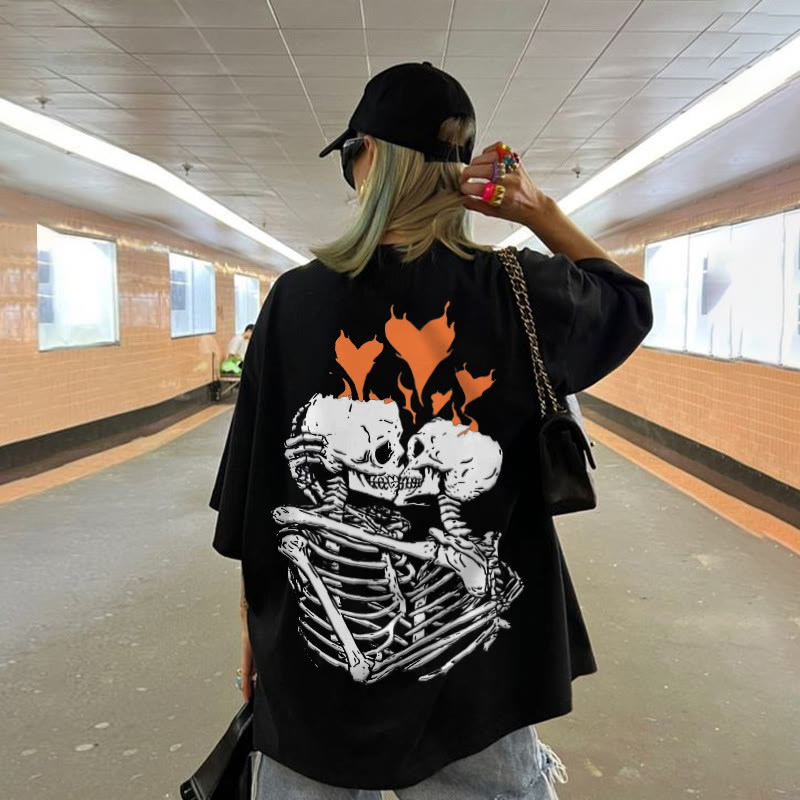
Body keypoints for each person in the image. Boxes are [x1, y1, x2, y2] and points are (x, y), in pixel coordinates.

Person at [210, 62, 652, 799]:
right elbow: (627, 301)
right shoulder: (520, 290)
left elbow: (255, 493)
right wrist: (537, 208)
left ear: (368, 159)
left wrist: (254, 629)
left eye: (351, 155)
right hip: (477, 687)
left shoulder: (293, 301)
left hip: (314, 687)